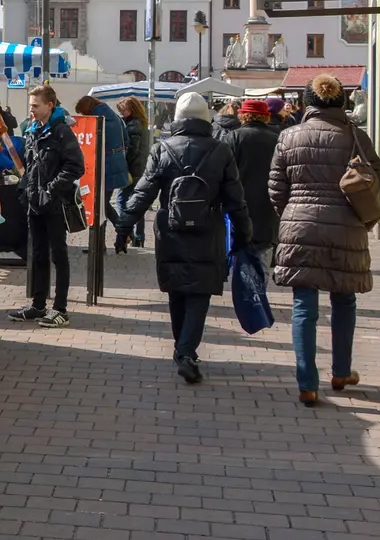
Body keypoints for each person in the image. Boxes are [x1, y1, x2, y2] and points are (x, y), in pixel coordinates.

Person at [270, 74, 380, 407]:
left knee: (303, 306)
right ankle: (341, 372)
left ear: (308, 102)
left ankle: (307, 384)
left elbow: (276, 188)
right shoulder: (357, 137)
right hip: (347, 227)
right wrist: (365, 221)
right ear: (342, 101)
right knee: (344, 300)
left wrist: (291, 216)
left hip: (299, 228)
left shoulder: (289, 136)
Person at [117, 91, 252, 384]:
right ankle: (187, 351)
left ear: (177, 117)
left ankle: (182, 350)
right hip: (208, 230)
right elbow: (235, 198)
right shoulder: (220, 150)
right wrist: (244, 233)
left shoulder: (163, 148)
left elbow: (143, 192)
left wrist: (123, 227)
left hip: (170, 230)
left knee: (176, 289)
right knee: (199, 293)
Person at [9, 84, 83, 328]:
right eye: (30, 105)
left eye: (35, 105)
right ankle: (38, 304)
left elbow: (75, 166)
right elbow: (31, 166)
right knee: (38, 254)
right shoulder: (33, 130)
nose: (31, 109)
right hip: (35, 203)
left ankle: (60, 309)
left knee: (58, 255)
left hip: (54, 204)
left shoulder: (61, 131)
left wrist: (51, 190)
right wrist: (26, 189)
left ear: (50, 105)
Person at [222, 100, 281, 259]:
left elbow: (223, 172)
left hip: (239, 204)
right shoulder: (277, 139)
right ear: (265, 117)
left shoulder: (232, 138)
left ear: (243, 115)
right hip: (268, 206)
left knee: (239, 252)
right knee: (263, 254)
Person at [75, 94, 129, 232]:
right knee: (102, 204)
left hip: (104, 166)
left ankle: (123, 231)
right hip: (117, 163)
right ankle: (120, 233)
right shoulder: (115, 117)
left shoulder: (97, 120)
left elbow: (92, 145)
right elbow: (127, 140)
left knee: (100, 205)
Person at [114, 97, 151, 251]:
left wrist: (123, 165)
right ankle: (139, 236)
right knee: (137, 203)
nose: (121, 113)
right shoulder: (142, 123)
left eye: (123, 110)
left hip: (132, 169)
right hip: (140, 169)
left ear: (131, 109)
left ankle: (126, 232)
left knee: (121, 200)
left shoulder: (132, 125)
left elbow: (132, 149)